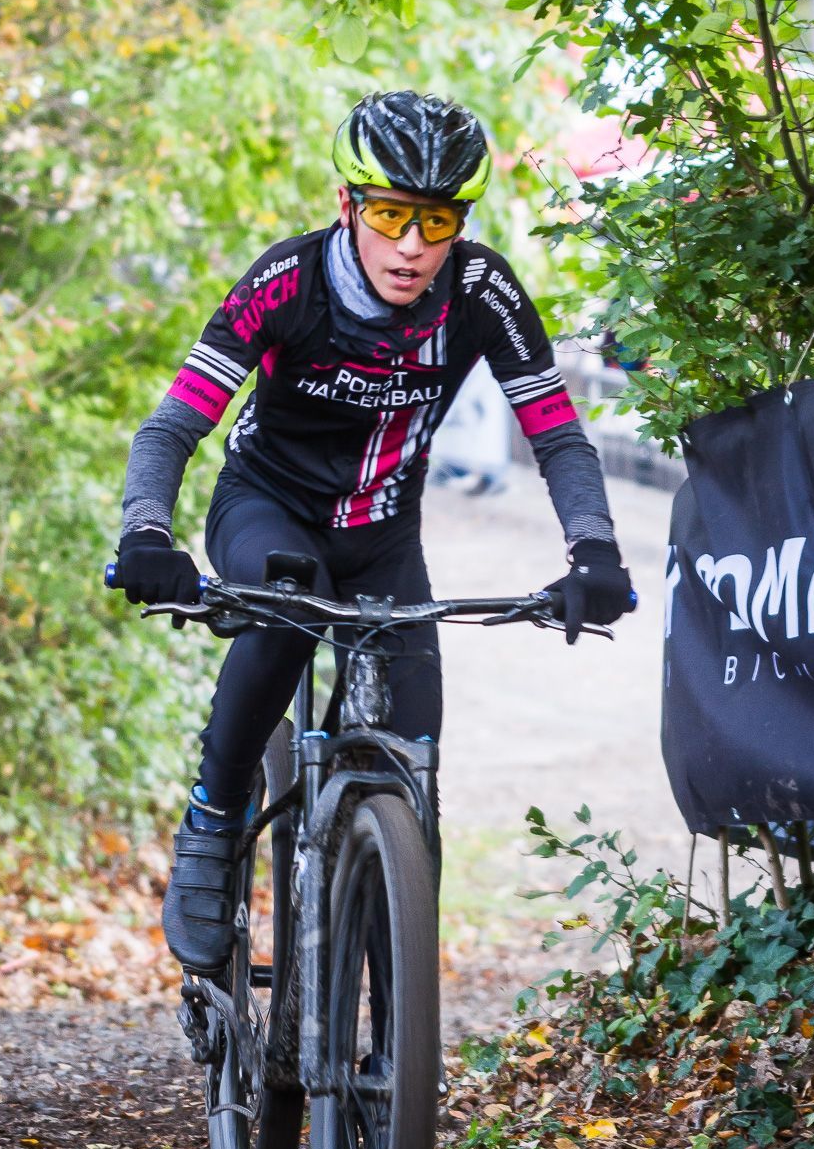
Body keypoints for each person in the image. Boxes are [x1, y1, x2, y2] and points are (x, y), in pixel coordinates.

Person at [110, 90, 633, 976]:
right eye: (390, 216)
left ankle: (393, 1006)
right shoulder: (288, 282)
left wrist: (595, 553)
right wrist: (147, 535)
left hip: (384, 536)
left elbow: (556, 434)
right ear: (347, 205)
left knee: (415, 770)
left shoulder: (481, 291)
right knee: (286, 610)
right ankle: (212, 821)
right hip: (267, 507)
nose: (413, 246)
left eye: (438, 222)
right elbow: (172, 426)